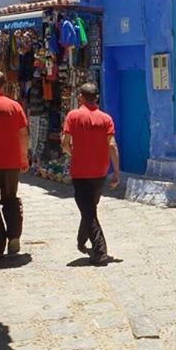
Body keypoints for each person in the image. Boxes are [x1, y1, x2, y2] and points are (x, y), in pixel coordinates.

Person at [61, 83, 120, 266]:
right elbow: (112, 145)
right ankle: (81, 240)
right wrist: (116, 171)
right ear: (97, 98)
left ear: (80, 97)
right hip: (100, 171)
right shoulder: (106, 118)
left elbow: (65, 142)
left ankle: (100, 251)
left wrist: (74, 154)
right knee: (89, 207)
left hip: (80, 171)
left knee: (88, 210)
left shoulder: (73, 116)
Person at [0, 70, 28, 258]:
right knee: (10, 197)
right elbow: (23, 133)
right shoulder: (14, 106)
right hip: (11, 162)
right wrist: (24, 157)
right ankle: (14, 235)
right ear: (4, 84)